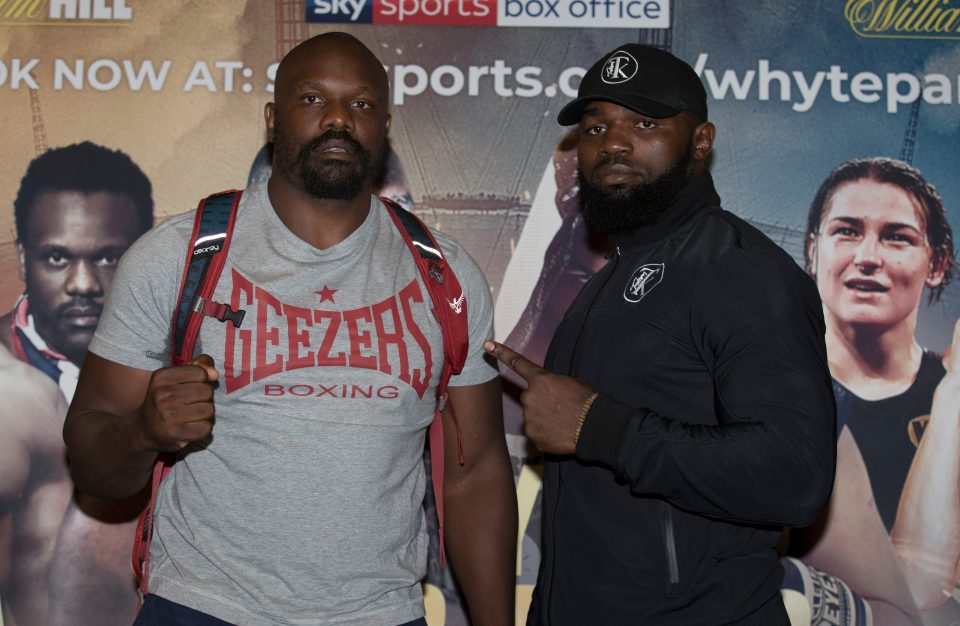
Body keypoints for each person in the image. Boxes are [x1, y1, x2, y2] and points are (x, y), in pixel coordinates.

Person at [63, 32, 517, 626]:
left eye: (360, 104)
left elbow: (476, 469)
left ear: (383, 125)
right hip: (202, 606)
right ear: (274, 120)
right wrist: (142, 431)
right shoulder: (179, 256)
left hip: (378, 613)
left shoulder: (446, 274)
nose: (336, 118)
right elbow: (91, 457)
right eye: (312, 99)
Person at [484, 43, 836, 624]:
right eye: (596, 126)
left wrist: (599, 426)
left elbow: (795, 473)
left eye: (643, 123)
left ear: (700, 142)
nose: (613, 142)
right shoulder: (612, 275)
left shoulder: (740, 269)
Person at [797, 157, 960, 624]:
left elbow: (923, 590)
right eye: (847, 231)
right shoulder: (758, 398)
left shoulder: (951, 398)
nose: (867, 257)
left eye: (897, 237)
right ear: (813, 251)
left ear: (937, 263)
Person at [0, 141, 154, 625]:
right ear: (23, 258)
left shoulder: (191, 377)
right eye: (57, 258)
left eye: (109, 259)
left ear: (148, 256)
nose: (84, 283)